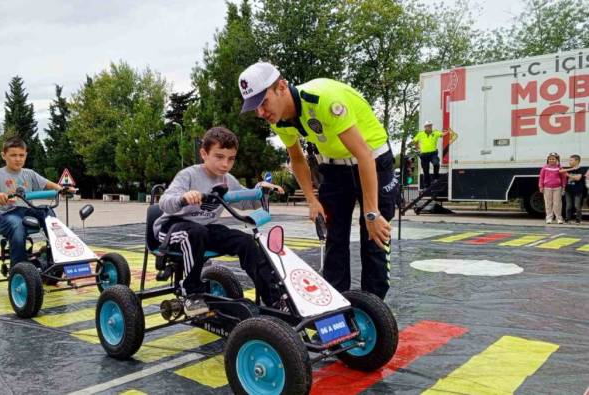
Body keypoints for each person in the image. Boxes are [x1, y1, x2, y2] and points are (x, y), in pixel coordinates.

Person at [238, 62, 395, 300]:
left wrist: (371, 213)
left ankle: (374, 308)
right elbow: (297, 159)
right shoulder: (278, 119)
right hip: (334, 167)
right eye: (254, 107)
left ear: (281, 87)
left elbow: (364, 155)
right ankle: (336, 304)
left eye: (263, 102)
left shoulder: (323, 99)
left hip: (373, 161)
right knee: (334, 237)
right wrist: (312, 199)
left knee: (373, 237)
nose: (260, 112)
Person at [153, 127, 284, 316]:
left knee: (245, 242)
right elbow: (165, 203)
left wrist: (261, 190)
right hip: (172, 227)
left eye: (230, 159)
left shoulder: (227, 180)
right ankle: (192, 293)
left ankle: (273, 299)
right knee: (196, 233)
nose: (225, 164)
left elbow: (247, 202)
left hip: (205, 229)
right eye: (219, 156)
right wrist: (183, 197)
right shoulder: (188, 175)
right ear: (204, 154)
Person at [0, 137, 69, 266]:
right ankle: (19, 268)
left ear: (26, 155)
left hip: (26, 211)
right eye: (13, 155)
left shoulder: (29, 173)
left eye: (21, 155)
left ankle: (57, 256)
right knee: (18, 224)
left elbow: (48, 184)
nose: (18, 159)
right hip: (5, 215)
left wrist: (61, 189)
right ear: (4, 155)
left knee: (47, 212)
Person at [412, 121, 447, 188]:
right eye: (428, 126)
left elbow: (442, 134)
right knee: (426, 171)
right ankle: (426, 186)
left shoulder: (435, 132)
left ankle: (436, 178)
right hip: (424, 155)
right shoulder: (420, 134)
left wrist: (447, 132)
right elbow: (414, 141)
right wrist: (417, 149)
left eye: (430, 126)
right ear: (425, 127)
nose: (430, 127)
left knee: (436, 163)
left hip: (433, 153)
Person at [538, 152, 566, 224]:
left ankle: (559, 218)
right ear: (548, 160)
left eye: (553, 159)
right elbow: (541, 177)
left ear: (556, 159)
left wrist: (563, 187)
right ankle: (549, 218)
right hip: (547, 188)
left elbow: (563, 178)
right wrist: (541, 186)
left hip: (557, 188)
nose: (551, 160)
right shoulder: (545, 167)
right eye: (550, 159)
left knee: (557, 203)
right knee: (548, 203)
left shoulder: (559, 168)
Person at [560, 154, 585, 224]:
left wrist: (568, 175)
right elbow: (560, 171)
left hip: (578, 191)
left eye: (571, 160)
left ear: (577, 161)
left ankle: (578, 219)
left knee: (577, 205)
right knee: (568, 205)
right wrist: (571, 169)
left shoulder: (580, 169)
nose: (569, 162)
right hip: (568, 190)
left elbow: (578, 178)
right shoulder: (569, 169)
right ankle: (567, 219)